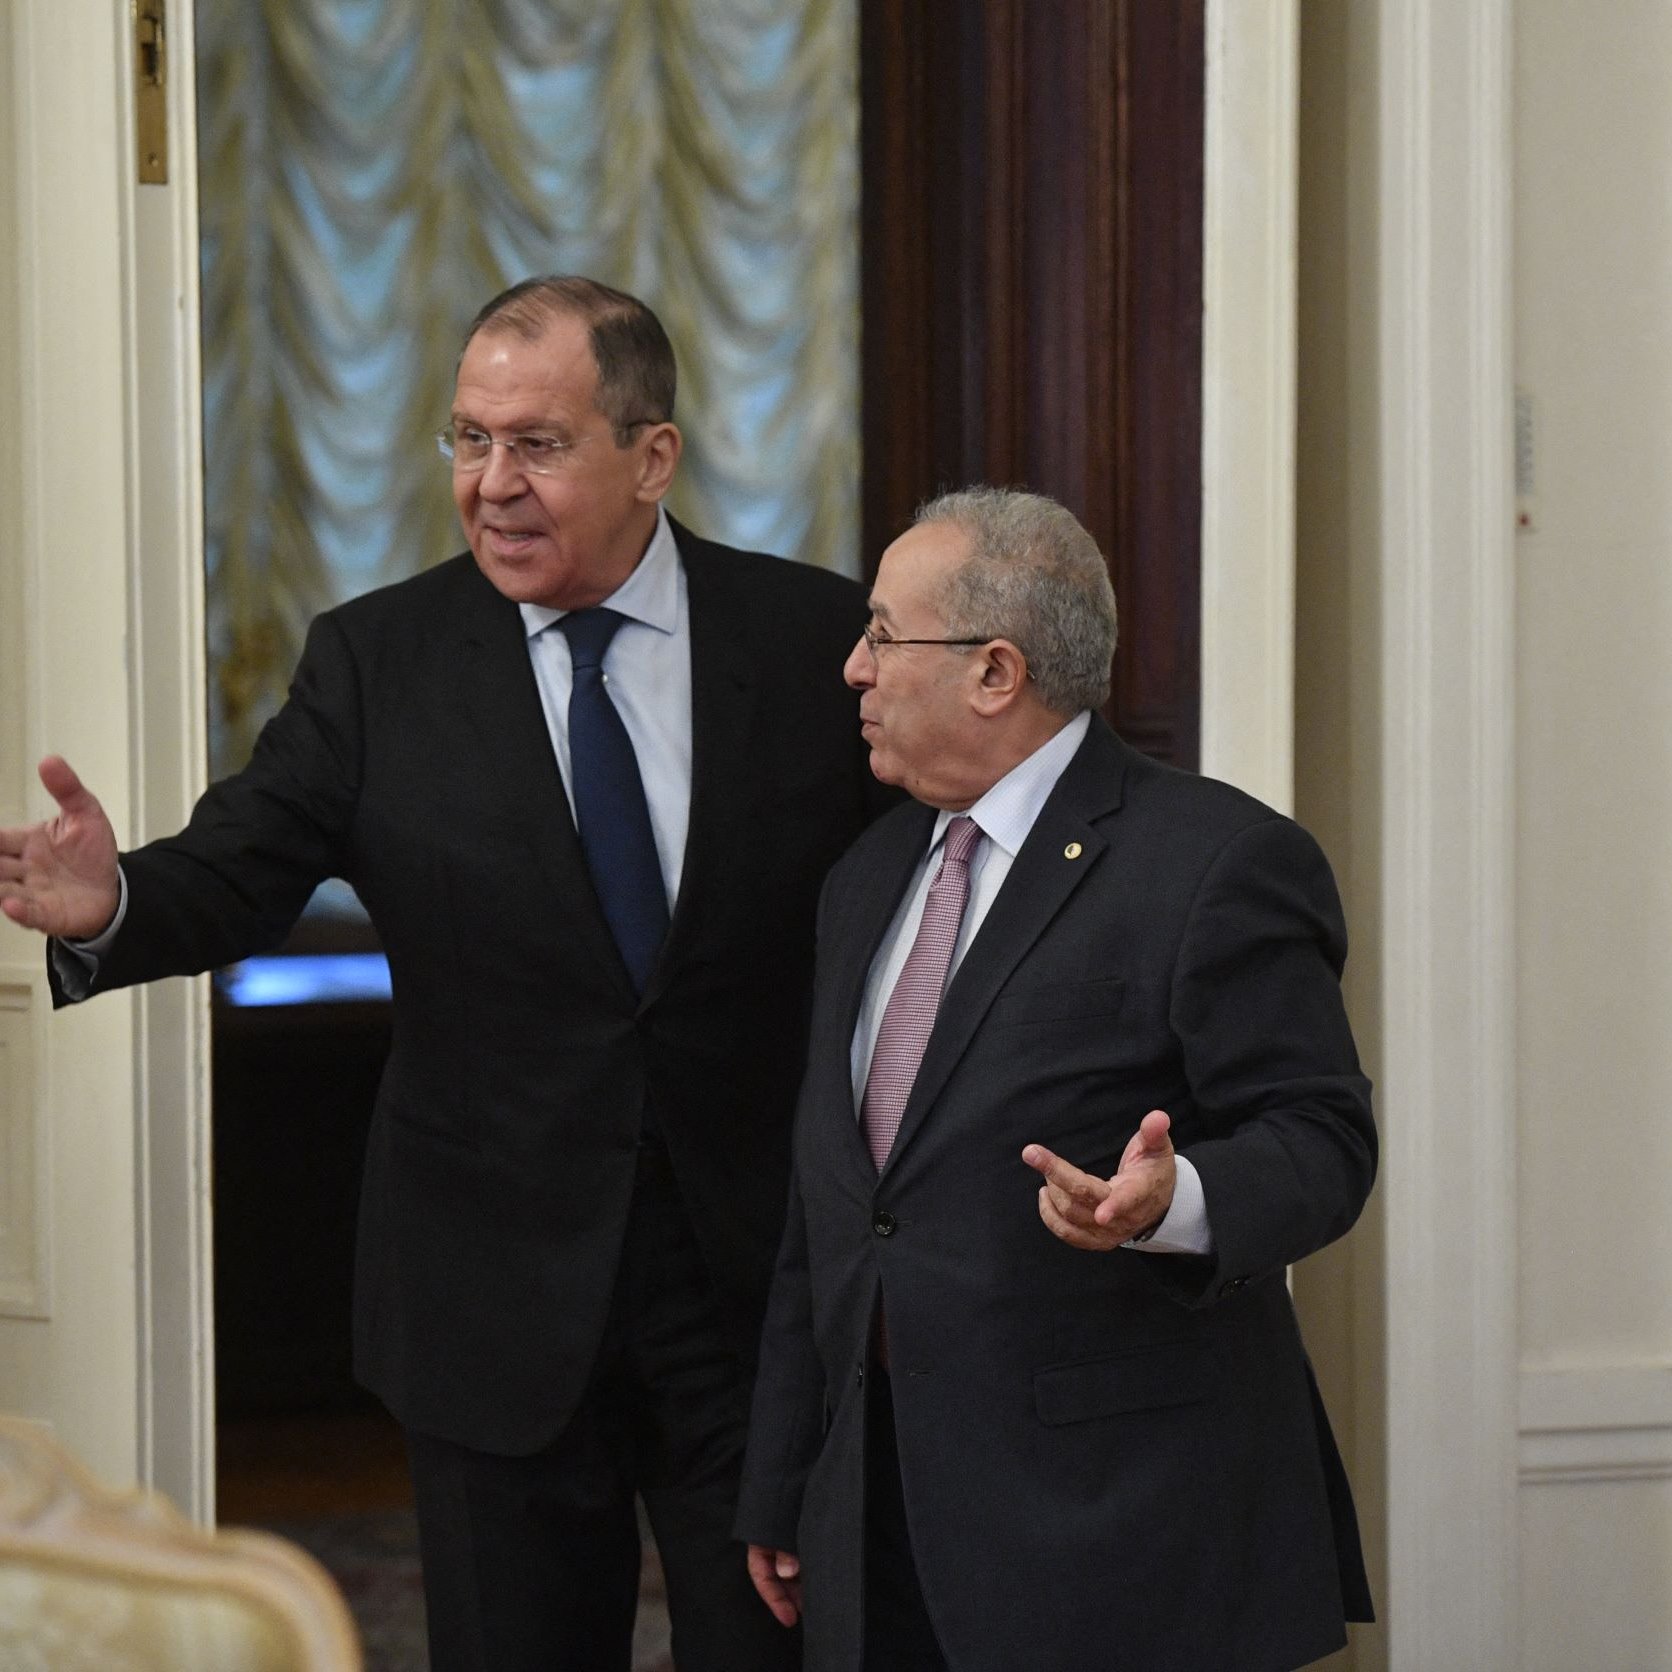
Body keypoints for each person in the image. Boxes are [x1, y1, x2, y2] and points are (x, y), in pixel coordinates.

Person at [0, 275, 891, 1672]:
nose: (492, 485)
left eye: (536, 444)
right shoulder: (378, 661)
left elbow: (923, 905)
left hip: (752, 1281)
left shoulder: (809, 643)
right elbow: (245, 863)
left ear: (651, 455)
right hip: (489, 1287)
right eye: (468, 441)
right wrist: (113, 898)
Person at [736, 486, 1376, 1672]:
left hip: (1116, 1532)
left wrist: (1172, 1201)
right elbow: (827, 1213)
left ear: (994, 670)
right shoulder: (866, 876)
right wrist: (785, 1472)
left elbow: (1323, 1139)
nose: (851, 669)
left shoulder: (1214, 861)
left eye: (881, 634)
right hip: (879, 1516)